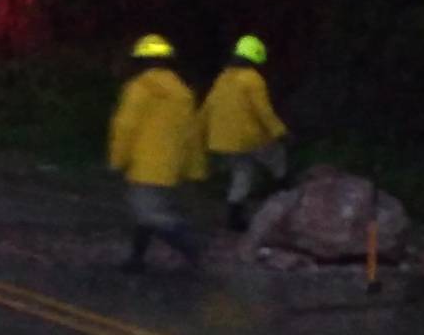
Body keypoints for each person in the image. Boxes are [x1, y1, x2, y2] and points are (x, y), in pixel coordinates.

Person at [108, 34, 207, 273]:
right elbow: (191, 134)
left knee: (149, 214)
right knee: (148, 212)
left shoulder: (138, 89)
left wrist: (117, 161)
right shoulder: (183, 93)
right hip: (171, 167)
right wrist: (194, 169)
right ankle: (136, 258)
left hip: (144, 166)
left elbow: (125, 127)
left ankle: (190, 246)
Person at [200, 34, 290, 231]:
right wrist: (279, 131)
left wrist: (200, 133)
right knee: (278, 162)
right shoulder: (253, 79)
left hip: (224, 141)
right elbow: (263, 111)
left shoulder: (223, 78)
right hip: (249, 138)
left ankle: (234, 219)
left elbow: (208, 107)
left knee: (242, 174)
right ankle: (286, 202)